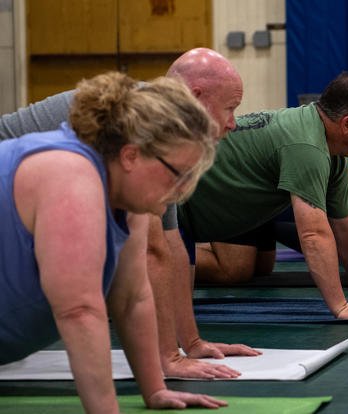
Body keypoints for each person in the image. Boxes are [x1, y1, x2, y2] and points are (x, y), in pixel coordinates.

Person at [0, 48, 260, 380]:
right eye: (230, 109)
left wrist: (190, 343)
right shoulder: (149, 123)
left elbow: (171, 246)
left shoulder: (168, 134)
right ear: (196, 98)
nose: (233, 123)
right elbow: (151, 254)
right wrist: (168, 358)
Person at [181, 72, 348, 318]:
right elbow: (313, 233)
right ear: (346, 124)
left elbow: (347, 225)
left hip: (209, 208)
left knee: (256, 268)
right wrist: (341, 306)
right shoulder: (308, 146)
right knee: (176, 313)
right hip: (177, 212)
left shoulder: (333, 150)